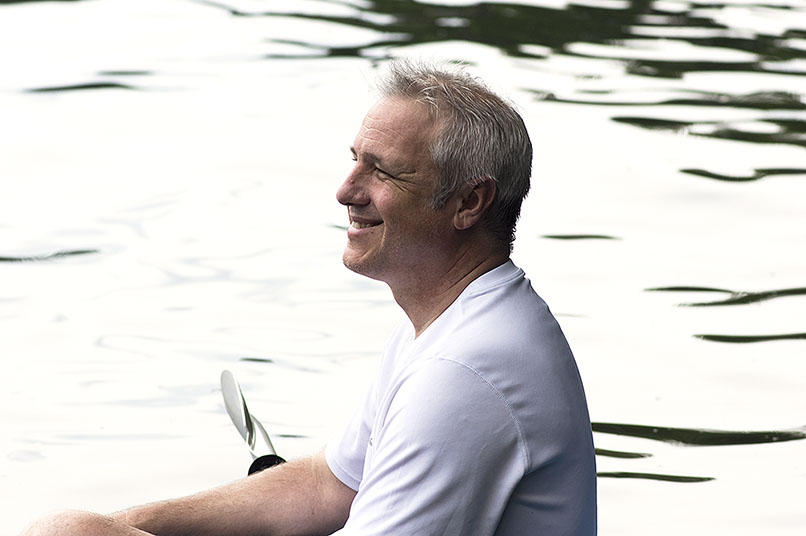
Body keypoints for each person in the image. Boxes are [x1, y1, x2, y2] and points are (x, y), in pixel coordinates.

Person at [21, 60, 596, 536]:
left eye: (383, 173)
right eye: (354, 161)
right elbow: (330, 485)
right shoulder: (450, 324)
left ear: (469, 202)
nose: (346, 190)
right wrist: (125, 524)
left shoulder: (465, 372)